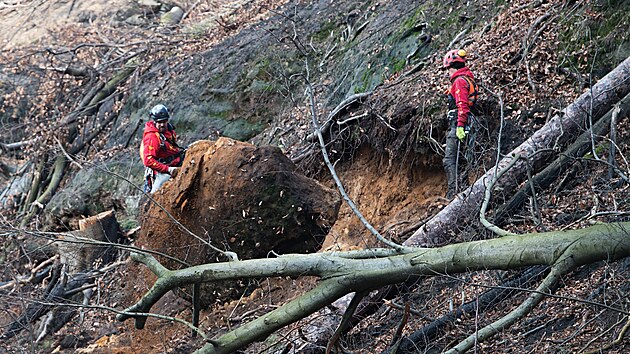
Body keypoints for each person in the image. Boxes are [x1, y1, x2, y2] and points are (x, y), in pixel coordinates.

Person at [442, 49, 478, 199]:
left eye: (448, 69)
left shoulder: (459, 81)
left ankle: (453, 193)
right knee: (461, 158)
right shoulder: (467, 79)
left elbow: (463, 106)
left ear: (453, 67)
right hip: (468, 122)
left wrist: (460, 127)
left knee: (450, 159)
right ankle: (463, 190)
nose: (447, 73)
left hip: (460, 123)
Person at [140, 104, 184, 193]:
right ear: (154, 121)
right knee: (156, 197)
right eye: (159, 122)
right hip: (165, 168)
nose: (162, 125)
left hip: (176, 160)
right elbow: (148, 160)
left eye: (164, 121)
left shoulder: (168, 129)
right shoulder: (152, 137)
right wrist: (168, 169)